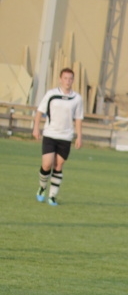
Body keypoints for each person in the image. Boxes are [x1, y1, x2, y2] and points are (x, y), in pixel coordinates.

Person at [33, 68, 84, 206]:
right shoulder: (51, 94)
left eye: (70, 78)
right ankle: (42, 188)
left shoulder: (77, 98)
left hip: (66, 137)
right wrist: (36, 128)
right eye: (65, 78)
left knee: (58, 165)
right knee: (47, 164)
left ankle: (52, 196)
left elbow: (78, 118)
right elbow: (40, 111)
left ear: (73, 80)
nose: (68, 81)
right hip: (50, 134)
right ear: (60, 79)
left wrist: (79, 136)